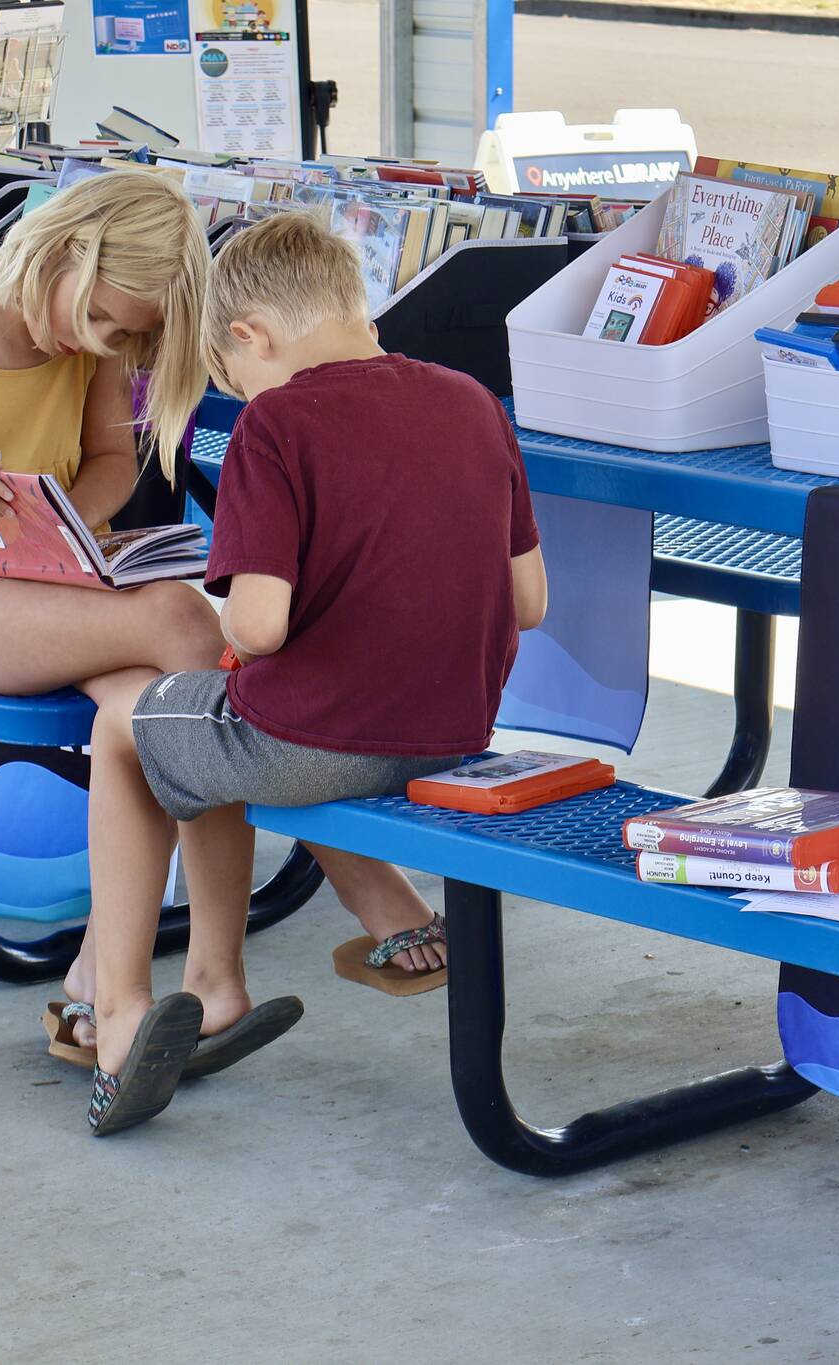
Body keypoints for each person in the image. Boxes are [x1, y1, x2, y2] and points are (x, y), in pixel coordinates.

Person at [0, 172, 300, 1117]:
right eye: (105, 323)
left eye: (125, 339)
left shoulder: (93, 329)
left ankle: (106, 986)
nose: (103, 345)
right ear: (67, 251)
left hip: (44, 580)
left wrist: (71, 521)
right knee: (185, 629)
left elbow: (112, 460)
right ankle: (189, 973)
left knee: (146, 711)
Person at [74, 211, 547, 1134]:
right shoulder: (471, 402)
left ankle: (122, 1009)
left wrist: (236, 639)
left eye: (230, 373)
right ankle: (247, 969)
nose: (240, 390)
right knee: (197, 728)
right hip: (454, 735)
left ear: (252, 336)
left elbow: (258, 624)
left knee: (128, 727)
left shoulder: (277, 424)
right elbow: (529, 600)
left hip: (315, 745)